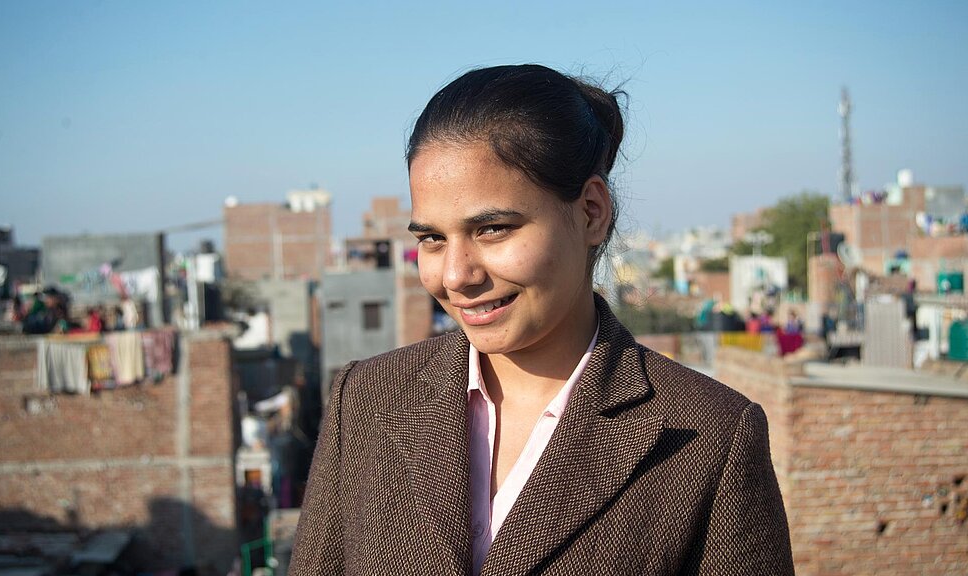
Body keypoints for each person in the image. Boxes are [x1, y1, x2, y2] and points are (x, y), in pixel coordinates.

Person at [290, 64, 793, 575]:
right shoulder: (369, 399)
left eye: (492, 229)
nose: (456, 275)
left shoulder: (709, 436)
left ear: (591, 212)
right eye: (432, 239)